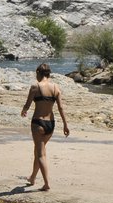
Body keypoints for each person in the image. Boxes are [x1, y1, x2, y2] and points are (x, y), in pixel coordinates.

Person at [20, 63, 70, 191]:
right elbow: (60, 107)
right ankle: (32, 177)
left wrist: (24, 111)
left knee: (41, 154)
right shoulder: (55, 87)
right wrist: (65, 124)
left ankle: (46, 184)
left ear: (38, 72)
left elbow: (27, 104)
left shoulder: (35, 87)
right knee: (39, 150)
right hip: (51, 124)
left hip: (38, 123)